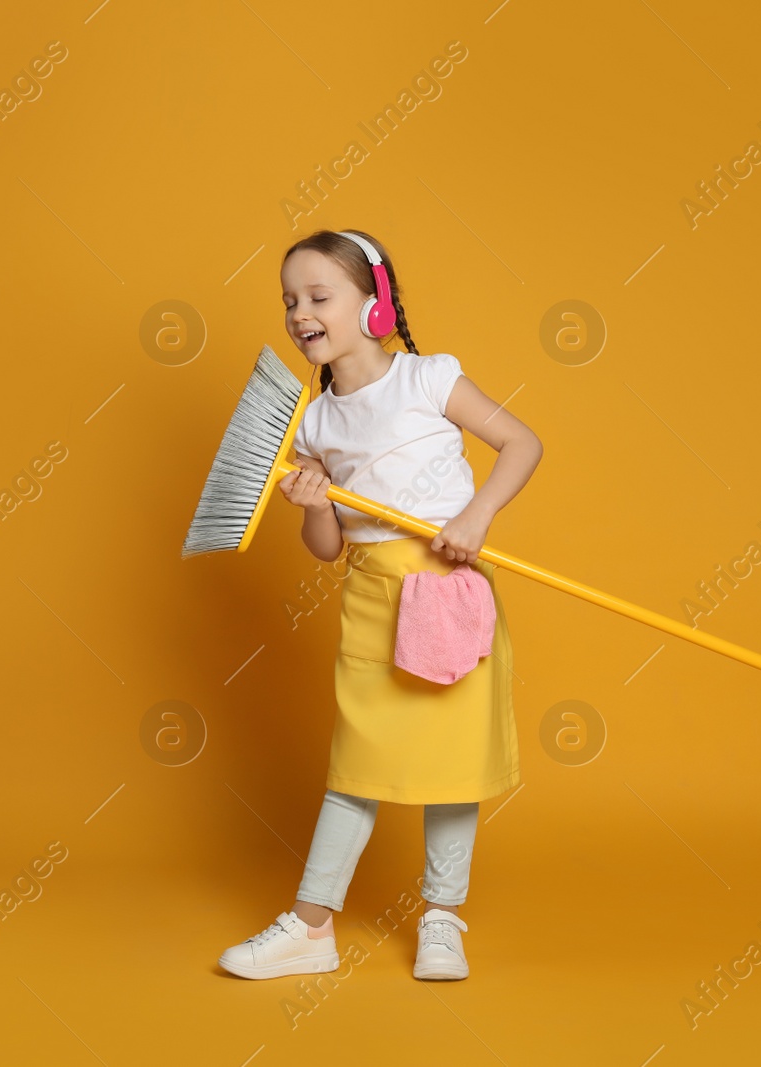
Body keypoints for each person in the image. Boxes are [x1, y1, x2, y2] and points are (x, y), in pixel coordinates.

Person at [217, 229, 542, 982]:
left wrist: (477, 515)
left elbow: (521, 442)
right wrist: (310, 504)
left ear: (376, 303)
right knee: (357, 765)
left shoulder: (429, 380)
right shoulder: (315, 425)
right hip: (372, 597)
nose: (300, 312)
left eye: (318, 296)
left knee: (455, 762)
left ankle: (441, 918)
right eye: (290, 301)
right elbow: (328, 546)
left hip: (451, 589)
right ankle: (311, 925)